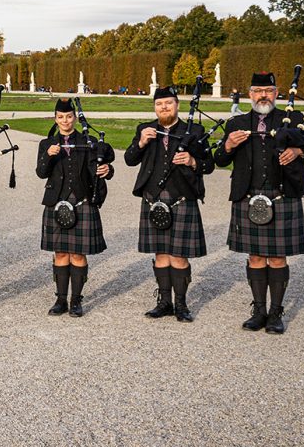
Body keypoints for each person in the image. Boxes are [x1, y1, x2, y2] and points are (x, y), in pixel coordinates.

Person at [213, 71, 304, 334]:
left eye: (267, 91)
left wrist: (299, 151)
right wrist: (229, 145)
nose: (262, 95)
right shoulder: (237, 123)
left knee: (277, 257)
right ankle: (259, 310)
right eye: (257, 91)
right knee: (255, 256)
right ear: (250, 94)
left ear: (276, 93)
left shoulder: (294, 120)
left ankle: (276, 313)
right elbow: (219, 159)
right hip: (248, 195)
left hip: (283, 196)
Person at [122, 86, 214, 322]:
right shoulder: (145, 129)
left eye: (168, 103)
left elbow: (209, 165)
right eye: (159, 104)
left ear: (177, 105)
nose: (164, 108)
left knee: (179, 255)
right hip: (153, 199)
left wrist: (193, 161)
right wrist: (141, 143)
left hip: (182, 197)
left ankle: (181, 305)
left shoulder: (194, 130)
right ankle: (164, 302)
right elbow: (129, 160)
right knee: (161, 253)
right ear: (155, 107)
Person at [35, 98, 114, 317]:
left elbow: (103, 165)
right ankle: (60, 300)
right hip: (56, 203)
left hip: (82, 202)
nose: (65, 121)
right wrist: (48, 156)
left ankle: (76, 300)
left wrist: (108, 170)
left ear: (75, 118)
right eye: (60, 117)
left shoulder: (87, 142)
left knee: (78, 255)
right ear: (55, 119)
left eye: (69, 116)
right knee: (60, 253)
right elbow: (41, 172)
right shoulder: (47, 144)